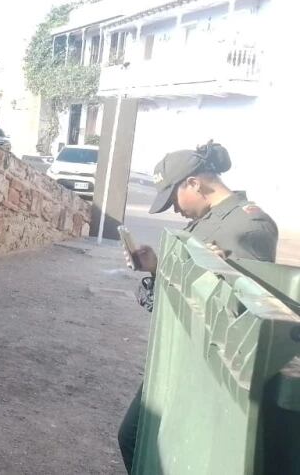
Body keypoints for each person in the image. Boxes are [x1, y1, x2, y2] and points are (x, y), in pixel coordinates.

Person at [117, 141, 278, 474]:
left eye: (173, 196)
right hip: (178, 355)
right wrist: (156, 267)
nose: (174, 209)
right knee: (136, 437)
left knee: (145, 441)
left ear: (194, 182)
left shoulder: (249, 226)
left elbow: (241, 308)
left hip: (203, 366)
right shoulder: (210, 219)